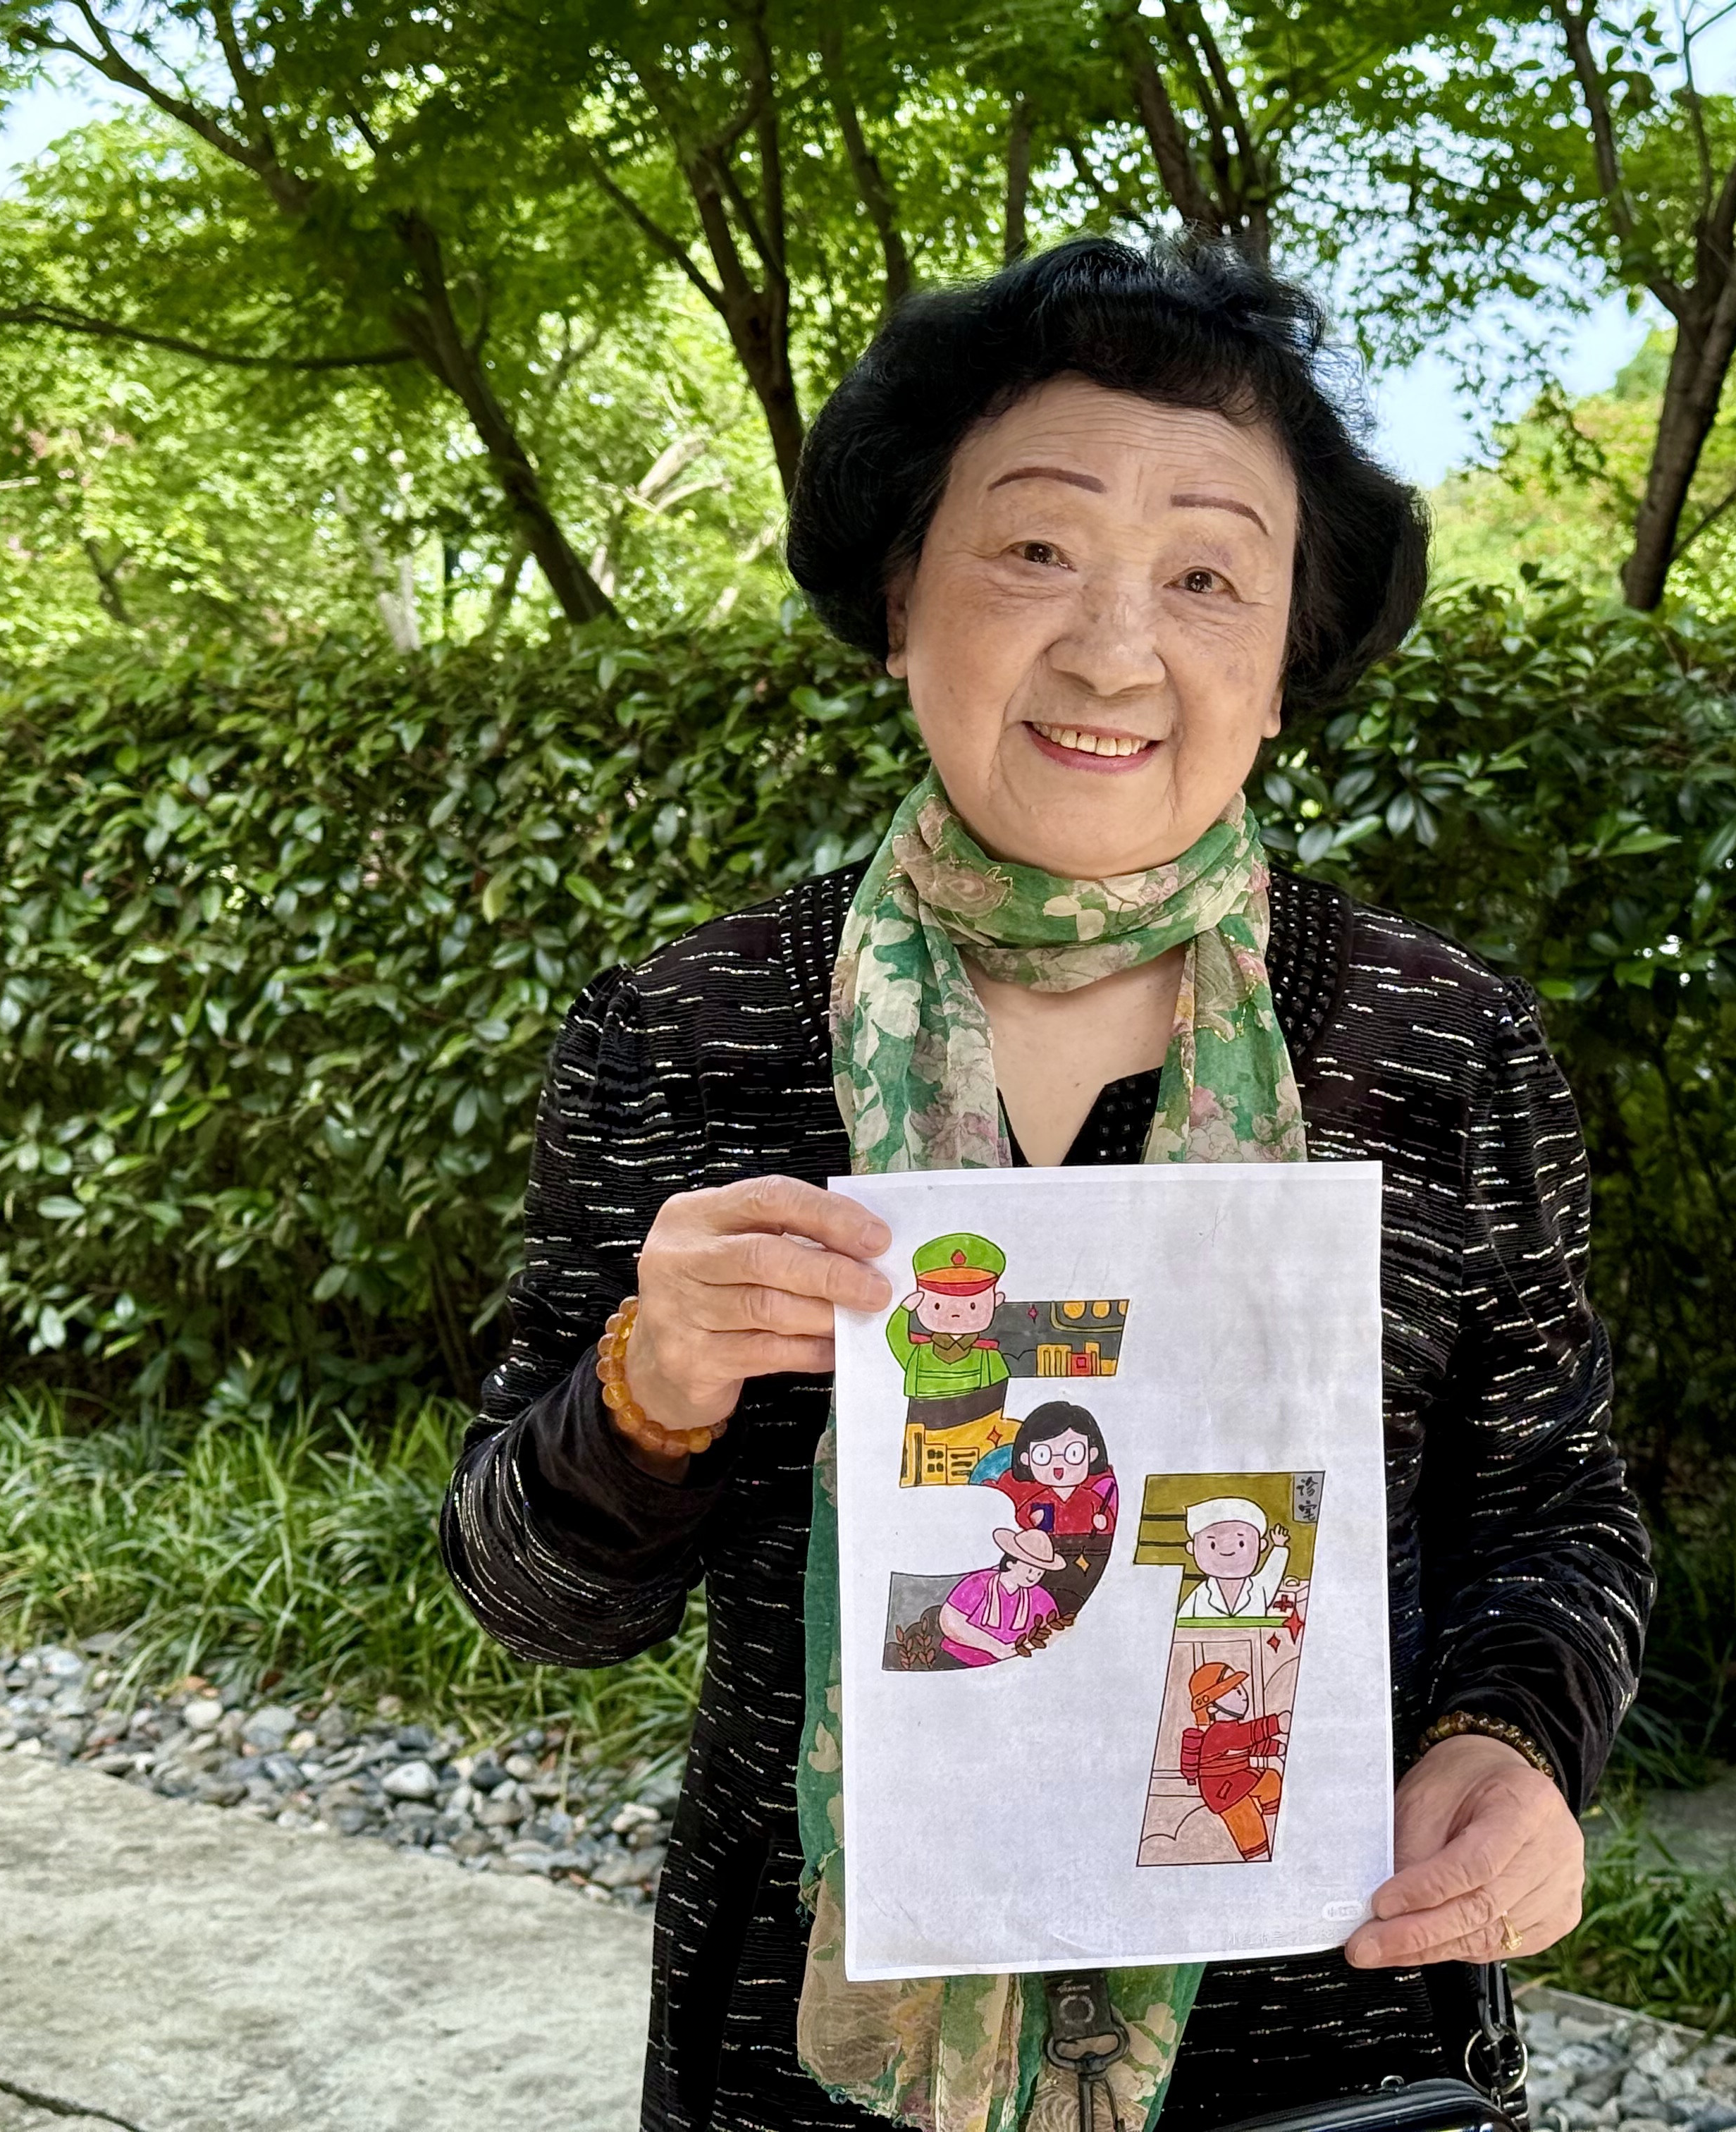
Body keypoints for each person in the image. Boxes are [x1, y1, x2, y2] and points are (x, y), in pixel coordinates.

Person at [443, 235, 1651, 2132]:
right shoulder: (694, 1035)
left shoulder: (1435, 1046)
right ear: (900, 598)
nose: (1112, 647)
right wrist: (647, 1388)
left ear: (1283, 665)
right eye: (1034, 549)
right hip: (807, 2065)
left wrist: (1516, 1750)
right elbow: (532, 1597)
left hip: (1319, 2044)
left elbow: (1554, 1509)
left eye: (1206, 576)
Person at [885, 1231, 1014, 1485]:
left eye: (973, 1306)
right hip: (925, 1443)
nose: (955, 1314)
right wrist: (903, 1311)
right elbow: (895, 1337)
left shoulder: (989, 1358)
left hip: (977, 1444)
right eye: (937, 1306)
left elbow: (997, 1403)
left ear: (996, 1302)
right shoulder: (918, 1354)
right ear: (920, 1303)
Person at [988, 1401, 1116, 1621]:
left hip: (1085, 1565)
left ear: (1091, 1454)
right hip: (1044, 1567)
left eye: (1073, 1453)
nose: (1059, 1466)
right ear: (1026, 1459)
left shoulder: (1092, 1500)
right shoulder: (1037, 1501)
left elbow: (1109, 1527)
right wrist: (1031, 1522)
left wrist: (1103, 1523)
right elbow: (1023, 1525)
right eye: (1043, 1455)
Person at [1178, 1662, 1287, 1863]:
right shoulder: (1218, 1733)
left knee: (1271, 1780)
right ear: (1211, 1706)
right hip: (1225, 1793)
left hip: (1238, 1777)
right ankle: (1259, 1857)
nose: (1243, 1695)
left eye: (1240, 1688)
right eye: (1233, 1691)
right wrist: (1275, 1724)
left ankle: (1274, 1827)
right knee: (1248, 1821)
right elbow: (1245, 1736)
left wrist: (1276, 1748)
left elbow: (1248, 1747)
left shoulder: (1232, 1729)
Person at [935, 1528, 1064, 1667]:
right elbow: (950, 1621)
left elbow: (1056, 1632)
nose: (1033, 1577)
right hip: (958, 1660)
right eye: (1030, 1570)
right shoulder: (978, 1583)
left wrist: (1021, 1649)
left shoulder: (1041, 1598)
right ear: (1011, 1563)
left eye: (1039, 1573)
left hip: (1014, 1666)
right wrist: (995, 1647)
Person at [1173, 1496, 1297, 1624]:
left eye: (1241, 1543)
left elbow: (1272, 1575)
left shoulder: (1259, 1589)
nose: (1227, 1550)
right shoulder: (1200, 1595)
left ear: (1261, 1545)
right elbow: (1179, 1625)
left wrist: (1279, 1548)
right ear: (1192, 1548)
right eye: (1213, 1545)